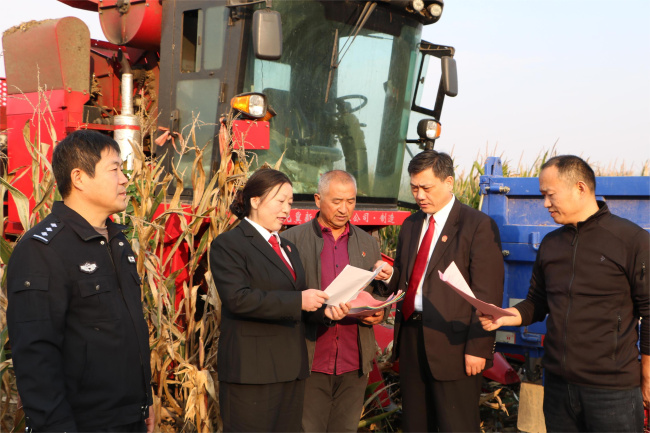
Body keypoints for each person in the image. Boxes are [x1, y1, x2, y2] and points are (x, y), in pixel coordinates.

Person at [479, 155, 649, 432]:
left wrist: (648, 374)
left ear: (580, 188)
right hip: (558, 388)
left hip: (612, 391)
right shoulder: (551, 244)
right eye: (543, 195)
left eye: (550, 194)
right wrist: (505, 316)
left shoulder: (631, 240)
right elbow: (536, 303)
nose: (545, 203)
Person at [6, 130, 154, 432]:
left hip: (129, 418)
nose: (124, 180)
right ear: (79, 178)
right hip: (83, 423)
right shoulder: (43, 250)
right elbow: (36, 356)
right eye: (114, 169)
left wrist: (144, 402)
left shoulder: (117, 242)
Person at [209, 167, 348, 432]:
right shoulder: (229, 244)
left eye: (290, 203)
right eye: (280, 201)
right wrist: (299, 301)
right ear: (255, 201)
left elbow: (299, 298)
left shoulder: (288, 247)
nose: (286, 210)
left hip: (290, 370)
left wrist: (325, 312)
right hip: (252, 373)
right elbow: (238, 299)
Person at [389, 150, 504, 432]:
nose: (419, 195)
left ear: (449, 182)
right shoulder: (411, 225)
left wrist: (478, 347)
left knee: (456, 425)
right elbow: (404, 278)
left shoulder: (476, 225)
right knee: (416, 423)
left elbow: (487, 294)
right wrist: (388, 276)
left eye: (426, 188)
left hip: (454, 343)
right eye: (414, 188)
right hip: (412, 337)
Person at [281, 170, 393, 433]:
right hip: (310, 359)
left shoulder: (367, 243)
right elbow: (283, 299)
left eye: (351, 201)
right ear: (318, 199)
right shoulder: (291, 241)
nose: (344, 209)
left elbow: (375, 293)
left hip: (354, 362)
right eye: (337, 201)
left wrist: (380, 311)